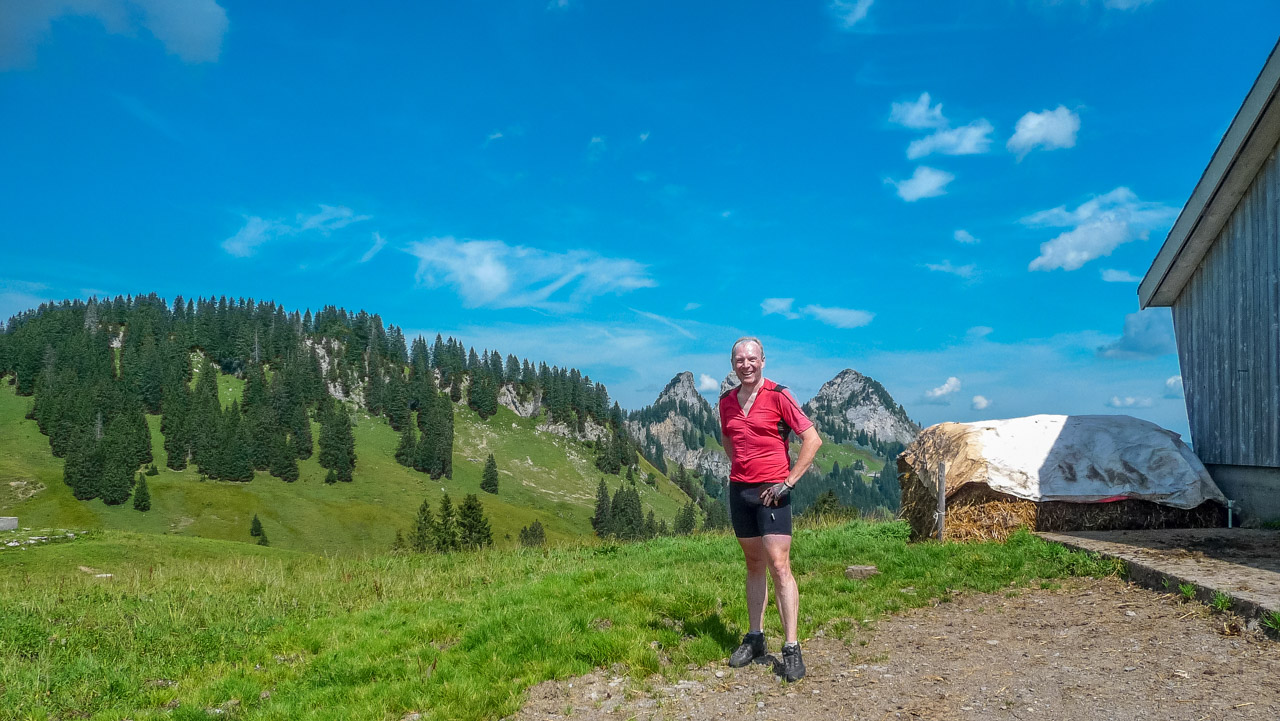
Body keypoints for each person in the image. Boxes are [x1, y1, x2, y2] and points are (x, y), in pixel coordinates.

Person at [718, 336, 821, 682]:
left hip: (774, 491)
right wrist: (741, 468)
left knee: (779, 565)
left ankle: (791, 647)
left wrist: (787, 483)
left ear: (763, 361)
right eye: (739, 360)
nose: (746, 365)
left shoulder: (779, 395)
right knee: (753, 564)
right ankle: (755, 638)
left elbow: (812, 439)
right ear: (733, 365)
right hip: (740, 490)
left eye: (752, 359)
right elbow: (728, 438)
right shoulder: (726, 402)